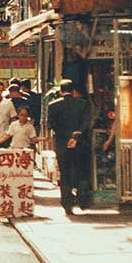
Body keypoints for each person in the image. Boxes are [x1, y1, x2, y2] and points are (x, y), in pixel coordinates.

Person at [47, 79, 92, 215]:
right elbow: (86, 122)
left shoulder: (53, 105)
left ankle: (67, 204)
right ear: (73, 91)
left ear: (60, 91)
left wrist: (66, 137)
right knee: (81, 170)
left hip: (62, 144)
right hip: (80, 144)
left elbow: (52, 125)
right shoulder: (82, 104)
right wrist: (75, 136)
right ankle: (82, 199)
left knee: (65, 174)